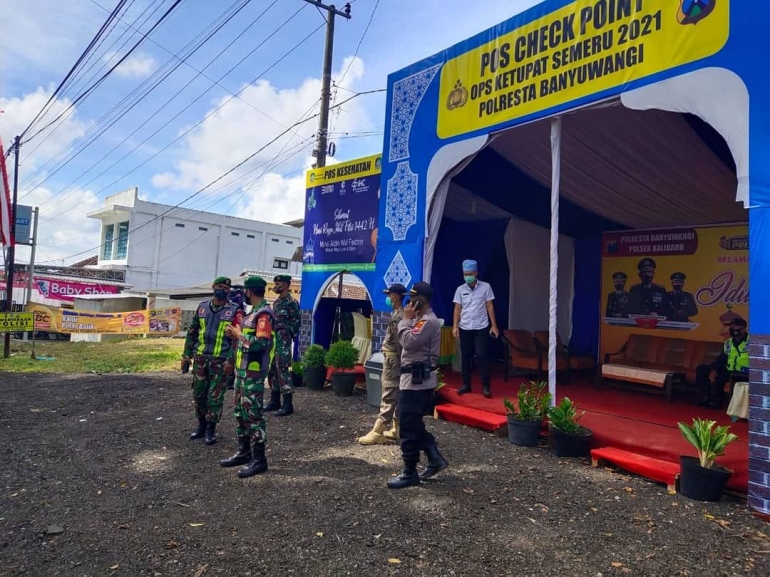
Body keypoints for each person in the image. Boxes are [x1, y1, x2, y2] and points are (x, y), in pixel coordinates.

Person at [387, 281, 448, 489]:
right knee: (412, 423)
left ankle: (409, 471)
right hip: (412, 379)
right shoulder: (420, 319)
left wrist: (405, 320)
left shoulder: (427, 321)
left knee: (407, 426)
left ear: (421, 300)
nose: (409, 302)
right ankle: (433, 456)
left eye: (413, 299)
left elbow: (409, 342)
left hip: (417, 382)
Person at [220, 276, 276, 477]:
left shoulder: (264, 314)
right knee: (240, 413)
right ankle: (244, 452)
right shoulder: (251, 314)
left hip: (253, 374)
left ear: (249, 292)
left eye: (244, 291)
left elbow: (262, 343)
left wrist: (239, 336)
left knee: (253, 415)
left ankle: (259, 460)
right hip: (241, 373)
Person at [182, 276, 243, 445]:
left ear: (228, 291)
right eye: (219, 286)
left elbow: (236, 340)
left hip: (220, 361)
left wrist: (231, 361)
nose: (222, 289)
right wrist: (186, 354)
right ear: (213, 287)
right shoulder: (202, 308)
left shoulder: (234, 310)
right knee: (199, 394)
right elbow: (192, 332)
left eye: (225, 287)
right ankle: (201, 425)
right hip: (201, 359)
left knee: (215, 397)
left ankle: (211, 429)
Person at [357, 283, 407, 445]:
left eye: (390, 295)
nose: (388, 298)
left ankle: (378, 430)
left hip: (393, 359)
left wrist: (401, 360)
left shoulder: (397, 317)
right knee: (395, 393)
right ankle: (396, 427)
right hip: (394, 358)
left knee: (389, 392)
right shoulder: (399, 314)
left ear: (397, 296)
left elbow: (399, 343)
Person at [452, 260, 499, 398]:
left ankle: (486, 386)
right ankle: (466, 384)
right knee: (465, 357)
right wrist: (455, 326)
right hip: (465, 326)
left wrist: (494, 325)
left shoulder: (485, 287)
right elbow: (457, 308)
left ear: (476, 273)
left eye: (470, 274)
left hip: (481, 326)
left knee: (482, 355)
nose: (468, 276)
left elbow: (490, 306)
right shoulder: (460, 289)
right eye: (465, 274)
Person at [265, 274, 301, 417]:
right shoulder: (277, 302)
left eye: (279, 284)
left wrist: (286, 333)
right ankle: (275, 400)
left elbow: (296, 323)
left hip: (283, 342)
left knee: (283, 371)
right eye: (276, 283)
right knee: (272, 370)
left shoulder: (291, 302)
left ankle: (288, 403)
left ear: (286, 285)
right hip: (273, 341)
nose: (276, 286)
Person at [695, 318, 750, 408]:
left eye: (735, 327)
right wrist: (714, 369)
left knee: (720, 378)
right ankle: (704, 398)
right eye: (731, 327)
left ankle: (716, 403)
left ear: (743, 329)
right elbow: (722, 359)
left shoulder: (752, 342)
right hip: (729, 369)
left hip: (744, 372)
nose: (732, 330)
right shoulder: (728, 343)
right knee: (702, 370)